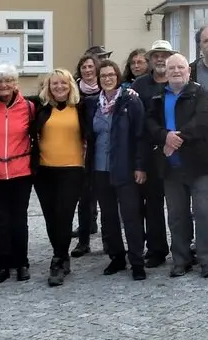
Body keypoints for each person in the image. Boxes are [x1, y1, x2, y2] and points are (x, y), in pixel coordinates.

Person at [145, 53, 208, 278]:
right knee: (176, 215)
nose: (176, 72)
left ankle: (207, 261)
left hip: (199, 165)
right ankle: (181, 259)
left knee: (203, 213)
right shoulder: (157, 97)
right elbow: (149, 123)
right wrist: (164, 136)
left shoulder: (201, 94)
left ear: (188, 71)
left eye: (180, 68)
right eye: (172, 68)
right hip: (170, 167)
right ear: (165, 73)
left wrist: (175, 140)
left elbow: (202, 123)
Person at [86, 60, 149, 280]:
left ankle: (137, 261)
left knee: (131, 216)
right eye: (103, 76)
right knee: (109, 217)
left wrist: (140, 166)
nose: (107, 79)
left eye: (111, 75)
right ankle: (116, 257)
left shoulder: (130, 100)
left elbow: (140, 136)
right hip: (100, 168)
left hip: (125, 167)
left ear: (118, 76)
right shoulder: (92, 104)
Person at [33, 68, 91, 286]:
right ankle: (62, 255)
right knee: (50, 217)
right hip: (44, 170)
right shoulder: (40, 108)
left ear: (71, 86)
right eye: (55, 84)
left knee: (64, 215)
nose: (59, 87)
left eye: (63, 84)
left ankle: (57, 260)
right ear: (48, 87)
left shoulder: (81, 107)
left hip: (72, 169)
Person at [0, 64, 35, 284]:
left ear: (15, 83)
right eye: (0, 81)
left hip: (20, 171)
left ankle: (21, 262)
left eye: (8, 81)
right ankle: (2, 264)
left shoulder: (29, 107)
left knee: (19, 220)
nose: (4, 85)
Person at [130, 39, 177, 268]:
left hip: (176, 150)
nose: (160, 59)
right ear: (150, 59)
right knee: (153, 205)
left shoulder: (180, 82)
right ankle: (156, 249)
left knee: (179, 204)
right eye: (156, 55)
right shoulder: (139, 84)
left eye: (165, 55)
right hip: (149, 152)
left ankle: (183, 247)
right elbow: (136, 121)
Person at [71, 52, 102, 257]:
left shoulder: (106, 88)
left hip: (102, 146)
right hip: (82, 147)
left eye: (91, 67)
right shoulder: (74, 92)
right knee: (84, 195)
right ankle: (83, 240)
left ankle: (108, 237)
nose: (88, 70)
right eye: (84, 67)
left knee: (105, 195)